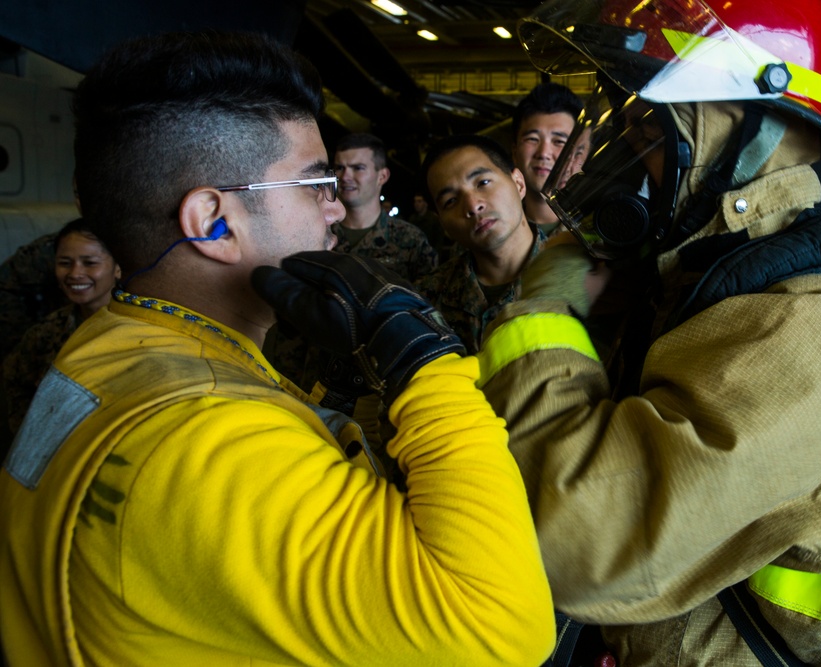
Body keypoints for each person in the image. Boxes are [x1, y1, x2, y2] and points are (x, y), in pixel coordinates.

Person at [0, 31, 554, 667]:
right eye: (314, 182)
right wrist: (424, 362)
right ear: (212, 220)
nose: (336, 209)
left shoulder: (111, 344)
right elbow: (506, 630)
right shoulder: (214, 443)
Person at [476, 0, 821, 665]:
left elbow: (582, 546)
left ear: (749, 135)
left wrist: (545, 305)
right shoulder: (691, 275)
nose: (600, 165)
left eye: (644, 132)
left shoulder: (807, 330)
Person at [416, 135, 547, 353]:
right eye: (451, 201)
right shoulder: (426, 300)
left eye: (483, 183)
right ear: (442, 222)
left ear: (518, 183)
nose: (472, 205)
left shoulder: (579, 278)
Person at [3, 218, 119, 433]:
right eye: (64, 263)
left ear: (118, 268)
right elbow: (15, 390)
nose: (75, 273)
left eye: (90, 263)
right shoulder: (44, 333)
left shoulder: (140, 330)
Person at [331, 132, 437, 281]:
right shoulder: (320, 235)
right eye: (340, 168)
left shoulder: (410, 240)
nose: (345, 177)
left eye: (358, 168)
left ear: (382, 176)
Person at [510, 82, 587, 237]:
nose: (544, 153)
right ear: (515, 151)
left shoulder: (597, 233)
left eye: (559, 141)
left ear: (581, 154)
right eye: (532, 139)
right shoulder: (495, 231)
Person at [409, 192, 451, 260]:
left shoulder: (433, 219)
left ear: (425, 203)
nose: (416, 204)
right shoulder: (413, 219)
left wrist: (436, 256)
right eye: (415, 201)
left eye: (419, 201)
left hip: (430, 255)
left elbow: (439, 240)